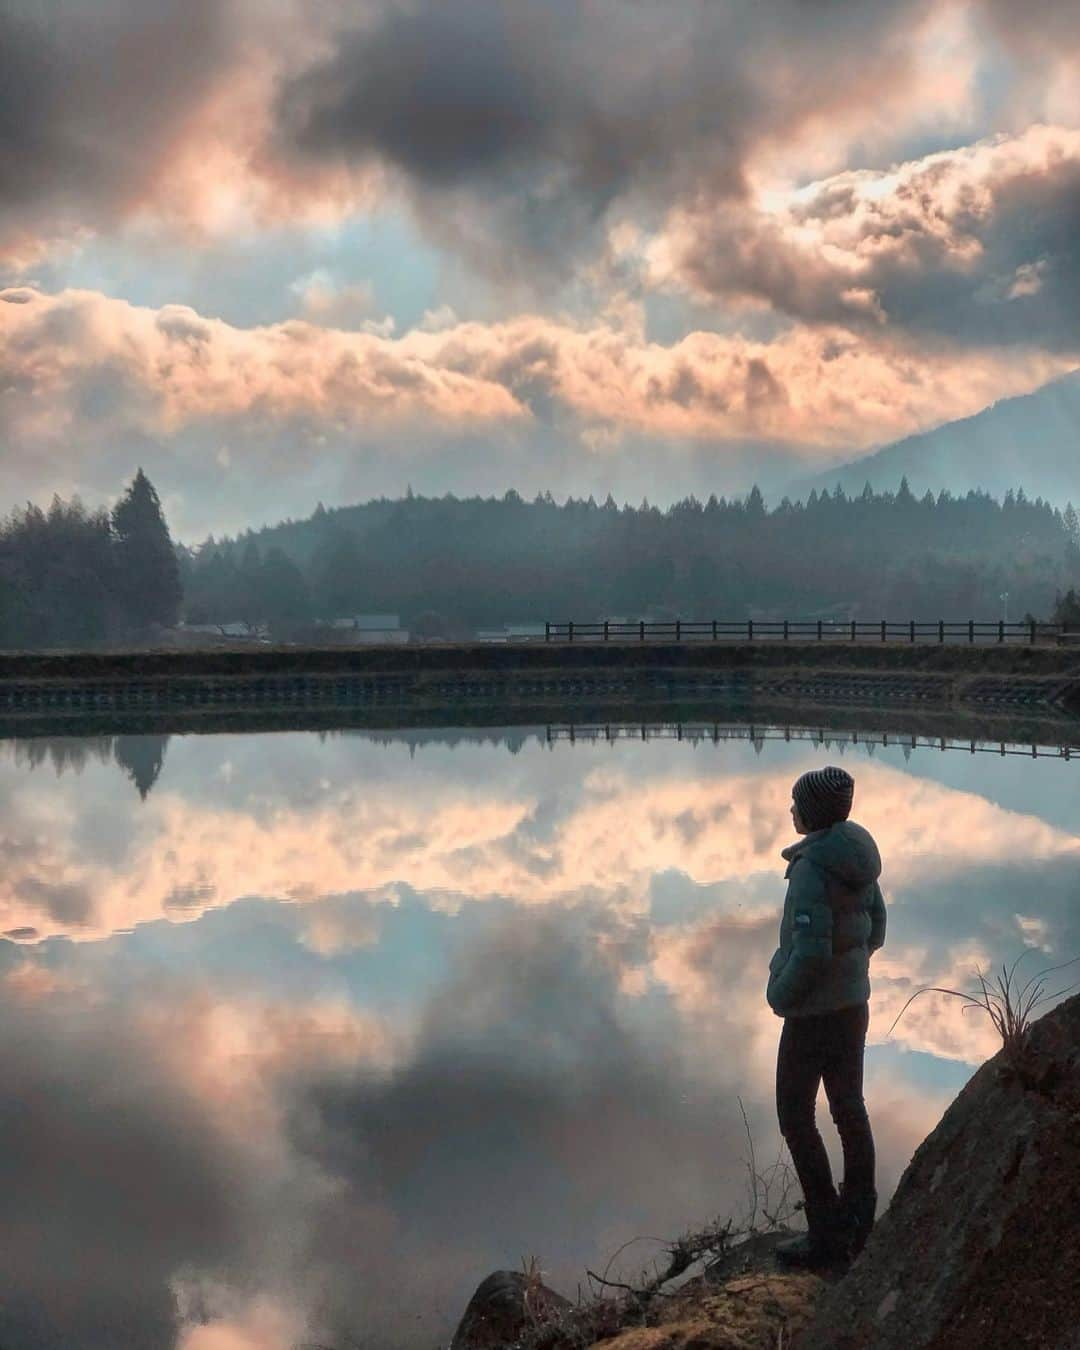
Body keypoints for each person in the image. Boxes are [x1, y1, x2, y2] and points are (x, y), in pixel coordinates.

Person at [766, 764, 886, 1268]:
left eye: (796, 803)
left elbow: (811, 951)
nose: (790, 810)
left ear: (811, 813)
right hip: (853, 1007)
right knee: (848, 1108)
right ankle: (858, 1221)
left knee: (794, 1115)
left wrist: (780, 994)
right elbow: (876, 929)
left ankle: (825, 1234)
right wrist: (851, 972)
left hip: (814, 1014)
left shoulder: (814, 867)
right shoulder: (857, 859)